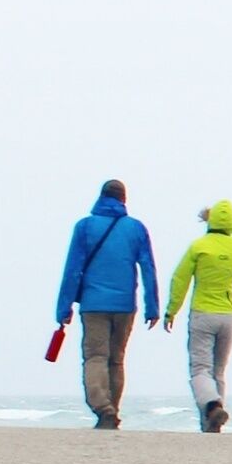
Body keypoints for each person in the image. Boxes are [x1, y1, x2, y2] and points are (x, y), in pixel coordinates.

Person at [55, 181, 160, 429]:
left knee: (95, 357)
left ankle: (103, 409)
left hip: (93, 304)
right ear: (124, 199)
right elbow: (148, 268)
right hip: (125, 305)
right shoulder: (136, 228)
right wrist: (152, 307)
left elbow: (72, 270)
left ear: (101, 197)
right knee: (116, 359)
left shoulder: (85, 227)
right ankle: (112, 409)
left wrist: (64, 308)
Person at [163, 200, 232, 433]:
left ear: (209, 221)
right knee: (218, 371)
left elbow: (180, 279)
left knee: (200, 369)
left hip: (203, 313)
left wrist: (172, 310)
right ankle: (211, 425)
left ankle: (212, 407)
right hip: (228, 315)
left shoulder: (199, 246)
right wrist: (231, 220)